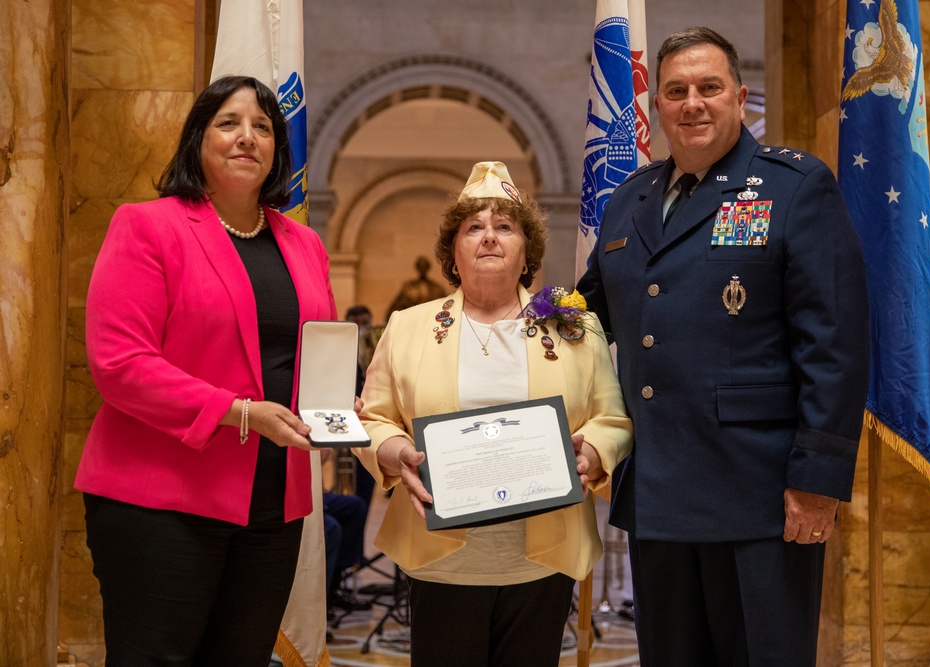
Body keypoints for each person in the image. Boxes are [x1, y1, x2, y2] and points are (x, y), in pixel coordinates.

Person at [576, 27, 869, 666]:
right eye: (676, 91)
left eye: (709, 88)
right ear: (657, 108)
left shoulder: (794, 188)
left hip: (759, 497)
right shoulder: (629, 201)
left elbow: (834, 343)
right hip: (658, 494)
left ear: (740, 97)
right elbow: (585, 320)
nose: (693, 104)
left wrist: (817, 480)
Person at [75, 75, 337, 666]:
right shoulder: (149, 226)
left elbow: (321, 356)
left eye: (263, 127)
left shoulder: (305, 245)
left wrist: (333, 416)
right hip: (161, 499)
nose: (248, 138)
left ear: (278, 150)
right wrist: (237, 411)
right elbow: (120, 363)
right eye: (229, 123)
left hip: (272, 503)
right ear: (199, 138)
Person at [355, 161, 633, 667]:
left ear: (526, 250)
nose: (489, 238)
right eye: (474, 227)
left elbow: (612, 418)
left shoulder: (575, 328)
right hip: (440, 559)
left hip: (543, 559)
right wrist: (396, 451)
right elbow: (372, 419)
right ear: (452, 252)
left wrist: (593, 452)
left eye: (505, 227)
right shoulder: (408, 326)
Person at [384, 255, 448, 320]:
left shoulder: (437, 288)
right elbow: (396, 308)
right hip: (412, 320)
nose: (422, 269)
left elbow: (446, 308)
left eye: (424, 267)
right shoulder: (409, 287)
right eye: (420, 267)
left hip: (431, 321)